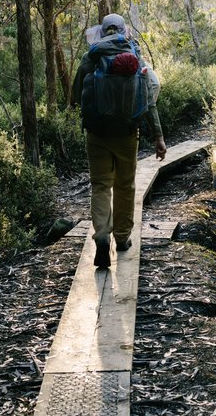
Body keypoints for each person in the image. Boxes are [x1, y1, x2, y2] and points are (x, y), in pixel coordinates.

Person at [71, 13, 167, 269]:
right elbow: (148, 99)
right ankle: (122, 239)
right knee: (125, 186)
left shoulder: (91, 56)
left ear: (102, 32)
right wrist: (158, 136)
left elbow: (74, 95)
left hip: (97, 134)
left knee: (101, 186)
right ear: (125, 30)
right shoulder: (134, 54)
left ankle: (102, 235)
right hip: (127, 134)